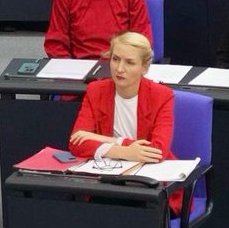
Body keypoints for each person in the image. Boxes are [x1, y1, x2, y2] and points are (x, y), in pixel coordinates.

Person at [68, 32, 169, 160]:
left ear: (144, 67)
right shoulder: (96, 90)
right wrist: (124, 151)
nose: (120, 69)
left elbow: (157, 151)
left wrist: (102, 139)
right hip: (108, 170)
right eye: (115, 59)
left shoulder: (162, 95)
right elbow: (76, 143)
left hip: (150, 173)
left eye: (130, 63)